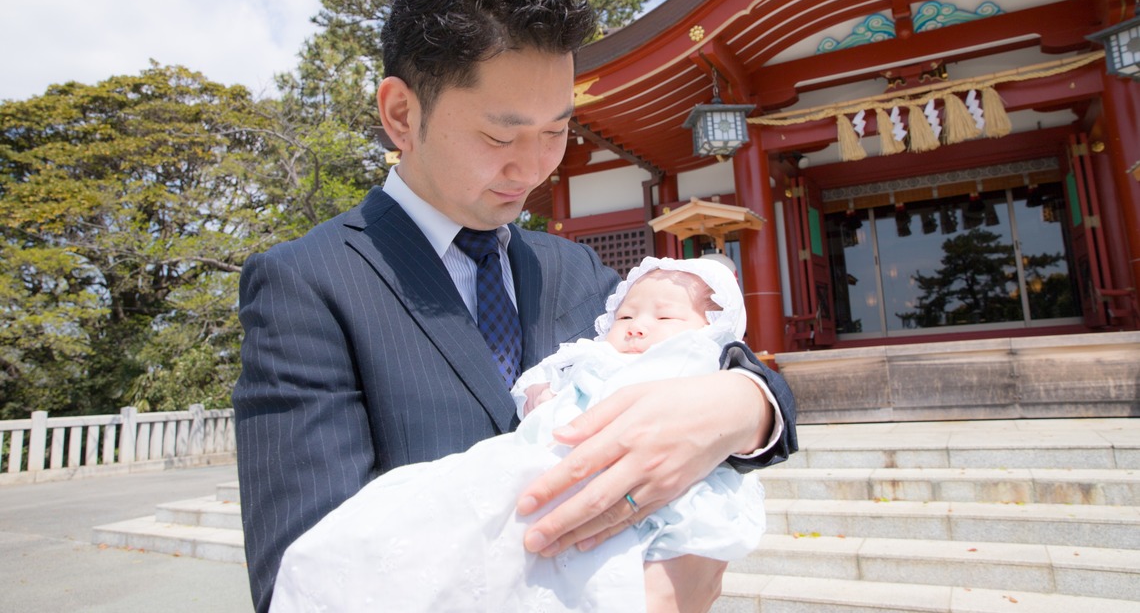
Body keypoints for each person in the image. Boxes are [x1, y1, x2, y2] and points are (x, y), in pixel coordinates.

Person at [233, 0, 797, 613]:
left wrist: (743, 407)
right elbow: (301, 581)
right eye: (500, 135)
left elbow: (727, 359)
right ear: (402, 114)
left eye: (556, 131)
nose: (533, 169)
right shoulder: (307, 285)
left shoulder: (575, 271)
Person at [269, 257, 784, 612]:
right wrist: (541, 393)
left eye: (664, 317)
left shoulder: (586, 270)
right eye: (626, 315)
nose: (635, 325)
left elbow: (754, 380)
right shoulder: (304, 275)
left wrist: (749, 404)